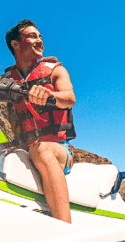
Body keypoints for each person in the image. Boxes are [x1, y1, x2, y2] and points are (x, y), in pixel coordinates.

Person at [4, 19, 76, 223]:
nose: (39, 41)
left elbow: (69, 98)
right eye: (32, 36)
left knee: (42, 149)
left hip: (59, 149)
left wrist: (51, 96)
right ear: (15, 44)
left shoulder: (55, 71)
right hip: (24, 149)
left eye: (40, 36)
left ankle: (65, 229)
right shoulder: (7, 81)